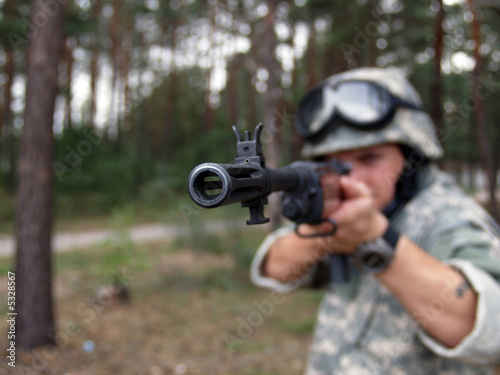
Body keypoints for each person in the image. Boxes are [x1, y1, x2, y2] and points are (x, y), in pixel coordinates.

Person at [250, 67, 500, 374]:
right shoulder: (341, 211)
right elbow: (276, 269)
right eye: (335, 162)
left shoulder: (449, 216)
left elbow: (484, 332)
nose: (352, 176)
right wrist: (325, 233)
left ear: (411, 157)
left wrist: (378, 239)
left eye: (370, 158)